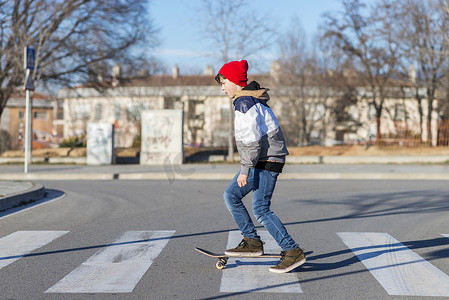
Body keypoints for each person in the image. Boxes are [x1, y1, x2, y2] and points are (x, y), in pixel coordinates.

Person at [215, 60, 306, 274]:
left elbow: (251, 141)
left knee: (260, 208)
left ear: (236, 82)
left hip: (267, 159)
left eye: (224, 82)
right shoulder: (247, 99)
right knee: (231, 195)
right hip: (261, 159)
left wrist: (245, 170)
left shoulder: (245, 102)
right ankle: (252, 241)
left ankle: (292, 251)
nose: (222, 87)